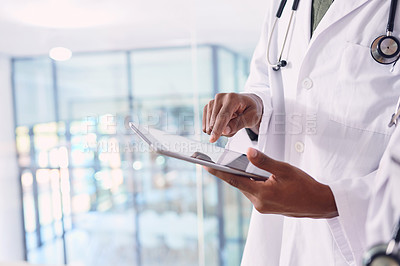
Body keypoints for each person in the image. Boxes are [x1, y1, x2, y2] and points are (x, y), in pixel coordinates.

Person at [202, 0, 400, 265]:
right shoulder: (282, 4)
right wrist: (255, 107)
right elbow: (268, 80)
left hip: (367, 242)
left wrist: (331, 201)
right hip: (280, 235)